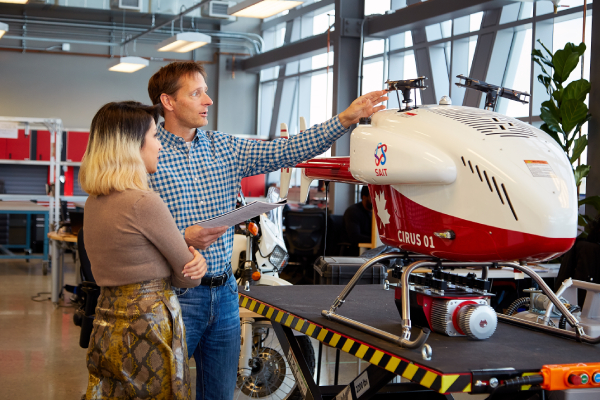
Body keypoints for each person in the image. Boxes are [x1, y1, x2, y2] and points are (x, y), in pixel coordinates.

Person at [147, 61, 388, 400]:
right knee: (159, 391)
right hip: (174, 295)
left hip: (226, 293)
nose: (209, 100)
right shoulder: (146, 152)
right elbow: (131, 226)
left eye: (206, 91)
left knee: (218, 394)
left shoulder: (225, 148)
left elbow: (287, 149)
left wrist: (345, 119)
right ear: (168, 102)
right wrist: (181, 237)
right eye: (197, 93)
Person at [79, 101, 208, 400]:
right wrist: (194, 262)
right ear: (131, 146)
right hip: (147, 331)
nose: (160, 145)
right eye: (154, 136)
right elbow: (189, 276)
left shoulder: (94, 203)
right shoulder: (144, 202)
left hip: (106, 324)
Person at [343, 186, 373, 255]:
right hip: (354, 250)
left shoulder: (375, 213)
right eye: (372, 197)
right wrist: (376, 240)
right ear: (364, 197)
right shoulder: (353, 211)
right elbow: (355, 237)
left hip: (369, 248)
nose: (375, 200)